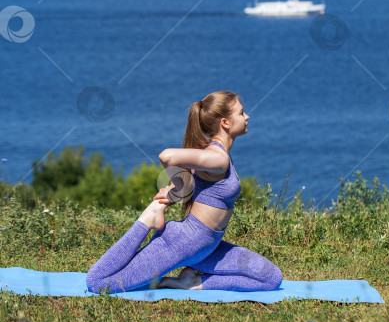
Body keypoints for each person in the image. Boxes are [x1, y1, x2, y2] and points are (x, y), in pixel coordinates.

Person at [85, 91, 283, 293]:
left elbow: (198, 179)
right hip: (181, 244)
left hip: (207, 248)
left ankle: (191, 283)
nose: (247, 116)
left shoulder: (215, 154)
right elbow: (167, 156)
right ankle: (148, 219)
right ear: (225, 122)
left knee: (271, 278)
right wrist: (180, 189)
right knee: (99, 283)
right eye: (241, 113)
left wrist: (180, 188)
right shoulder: (218, 158)